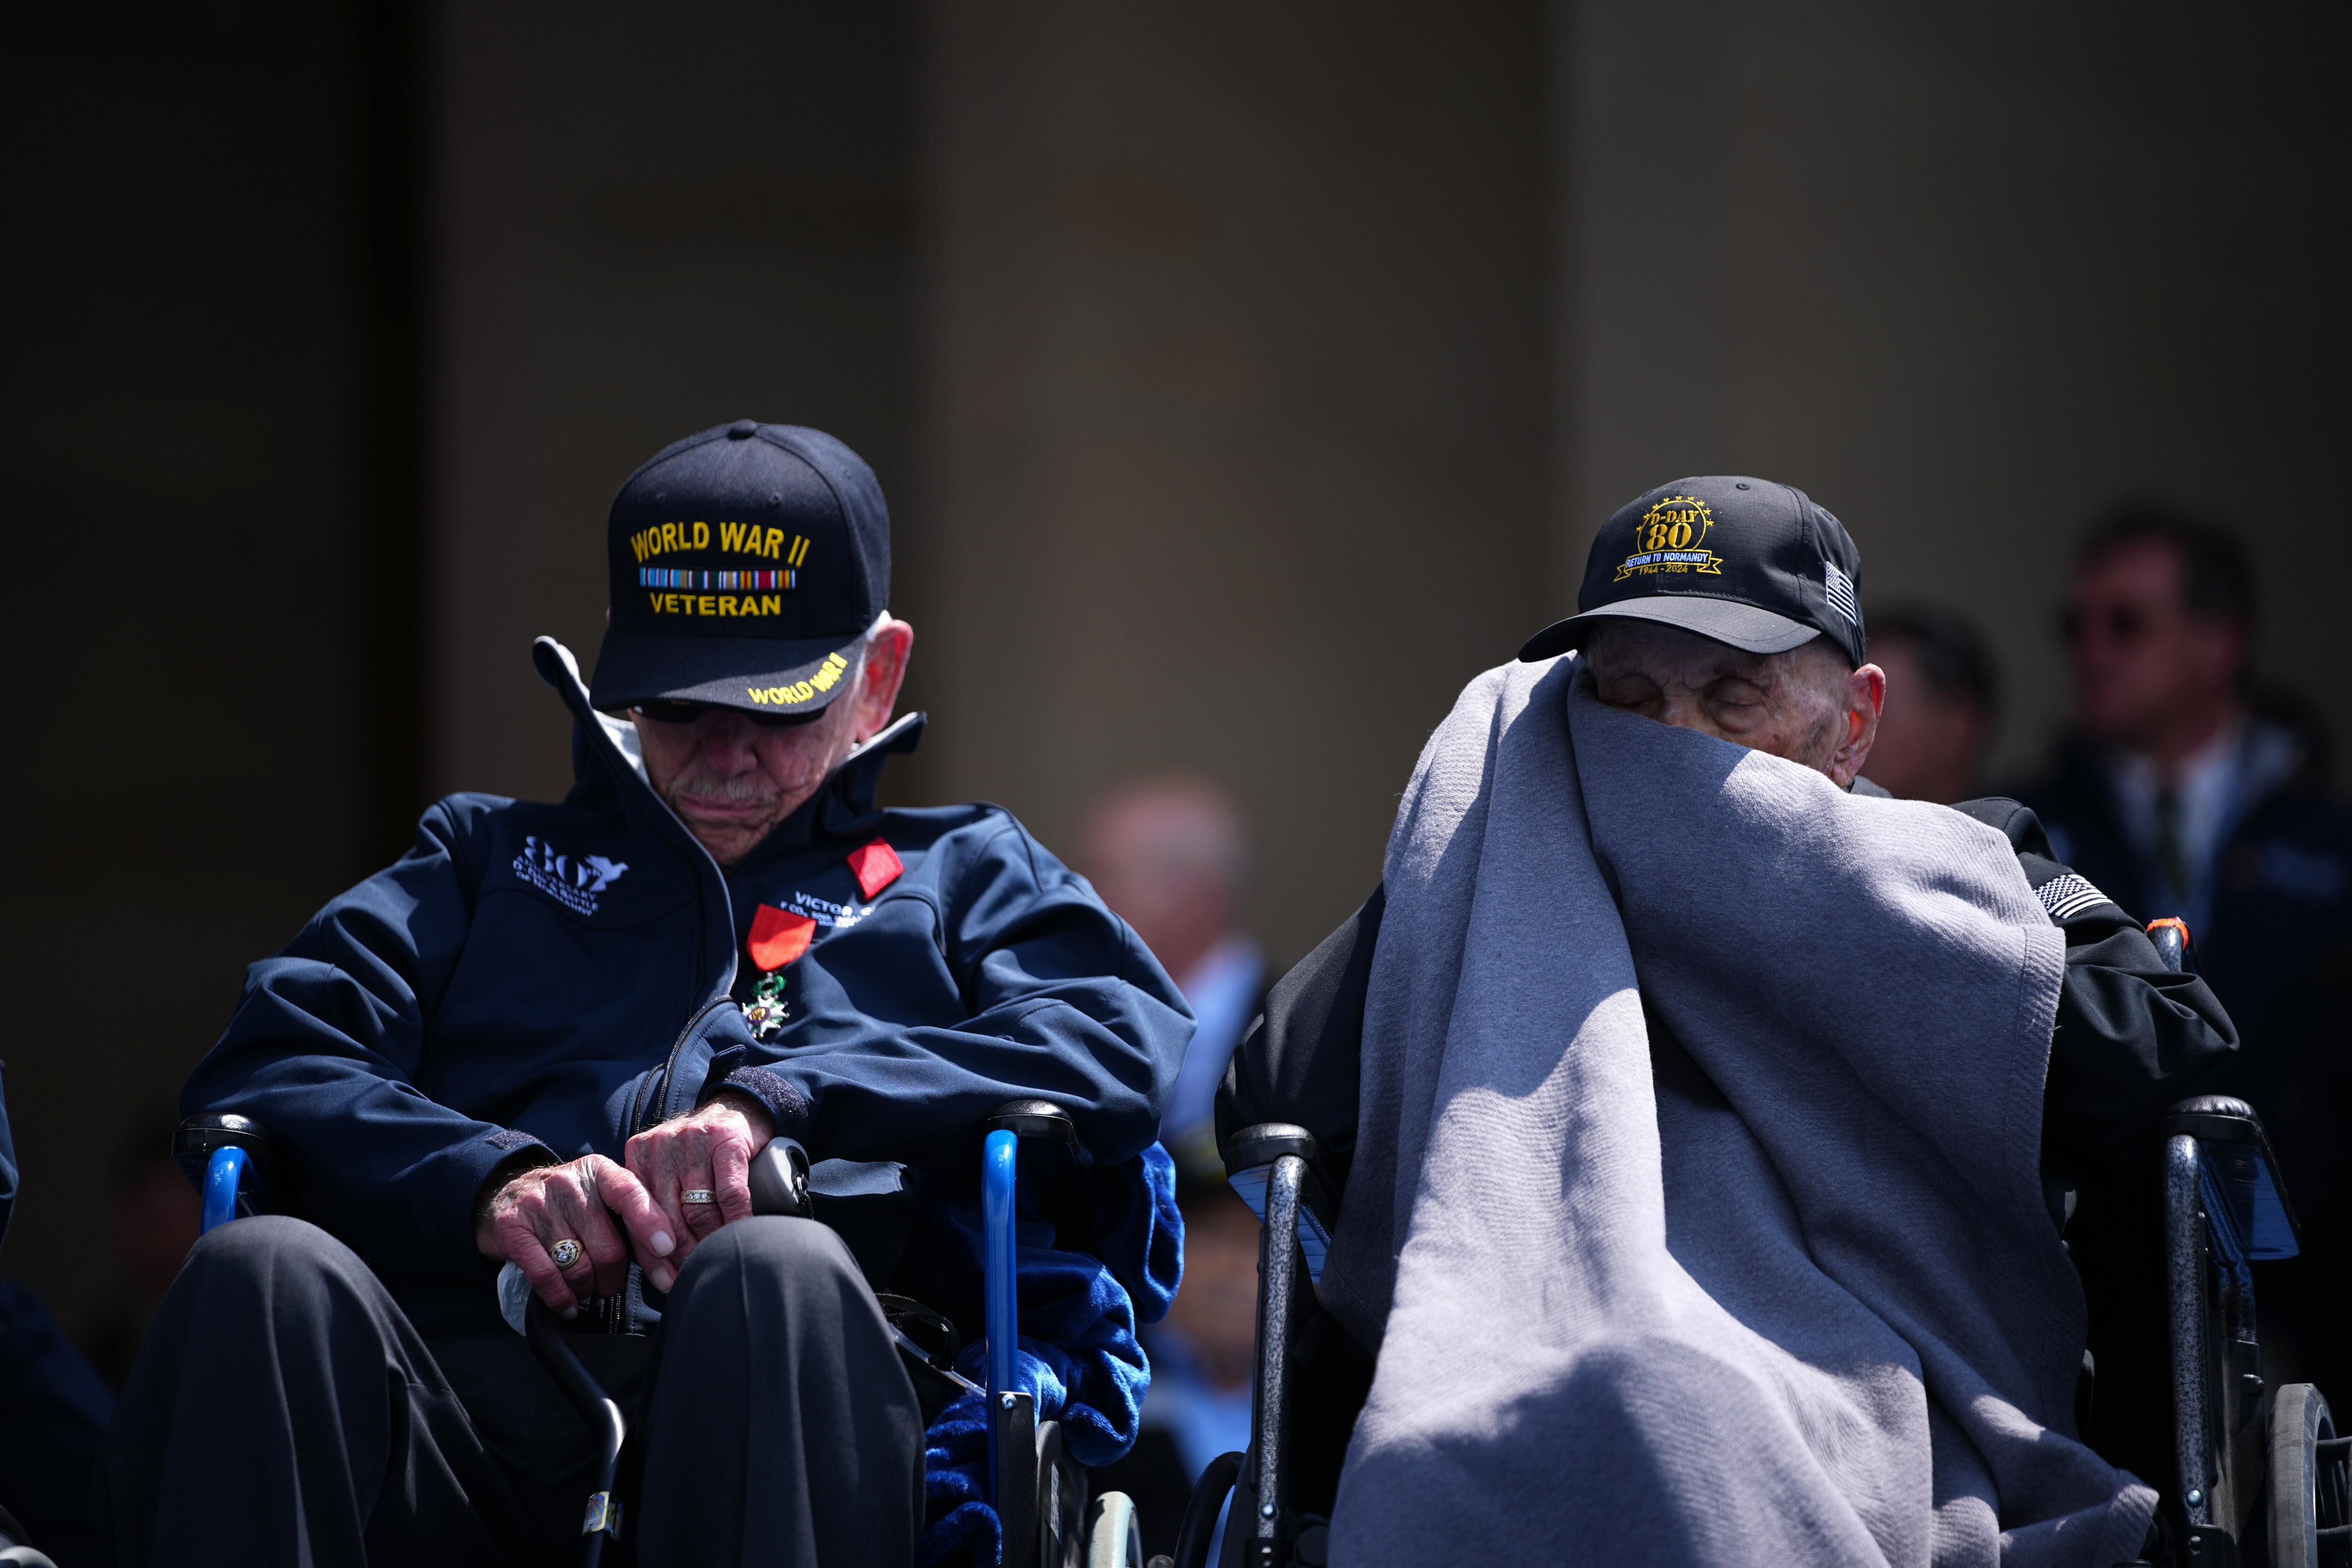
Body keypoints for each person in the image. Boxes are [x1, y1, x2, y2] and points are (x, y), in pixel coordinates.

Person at [107, 421, 1192, 1568]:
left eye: (775, 708)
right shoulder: (483, 860)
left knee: (766, 1267)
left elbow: (1123, 1036)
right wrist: (492, 1180)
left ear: (876, 679)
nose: (725, 759)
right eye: (678, 708)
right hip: (467, 1417)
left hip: (803, 1422)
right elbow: (269, 1064)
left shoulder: (963, 874)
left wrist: (782, 1101)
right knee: (258, 1271)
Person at [1221, 478, 2237, 1564]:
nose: (1671, 747)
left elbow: (2170, 1061)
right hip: (1528, 1379)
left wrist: (1826, 907)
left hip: (1877, 1402)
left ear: (1852, 724)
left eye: (1729, 698)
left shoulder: (1952, 870)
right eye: (1629, 702)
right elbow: (1277, 1096)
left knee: (1676, 1405)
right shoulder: (1511, 866)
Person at [2014, 499, 2352, 1410]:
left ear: (2217, 642)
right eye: (2074, 625)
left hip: (2321, 1286)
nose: (2092, 648)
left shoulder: (2331, 845)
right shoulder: (2026, 829)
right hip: (2109, 1300)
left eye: (2125, 622)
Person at [1079, 778, 1264, 1183]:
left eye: (1104, 876)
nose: (1081, 898)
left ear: (1191, 897)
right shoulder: (1076, 1018)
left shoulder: (1307, 1029)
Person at [1859, 603, 1998, 804]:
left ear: (1958, 727)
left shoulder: (2017, 833)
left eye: (1877, 714)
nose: (1848, 734)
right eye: (1847, 711)